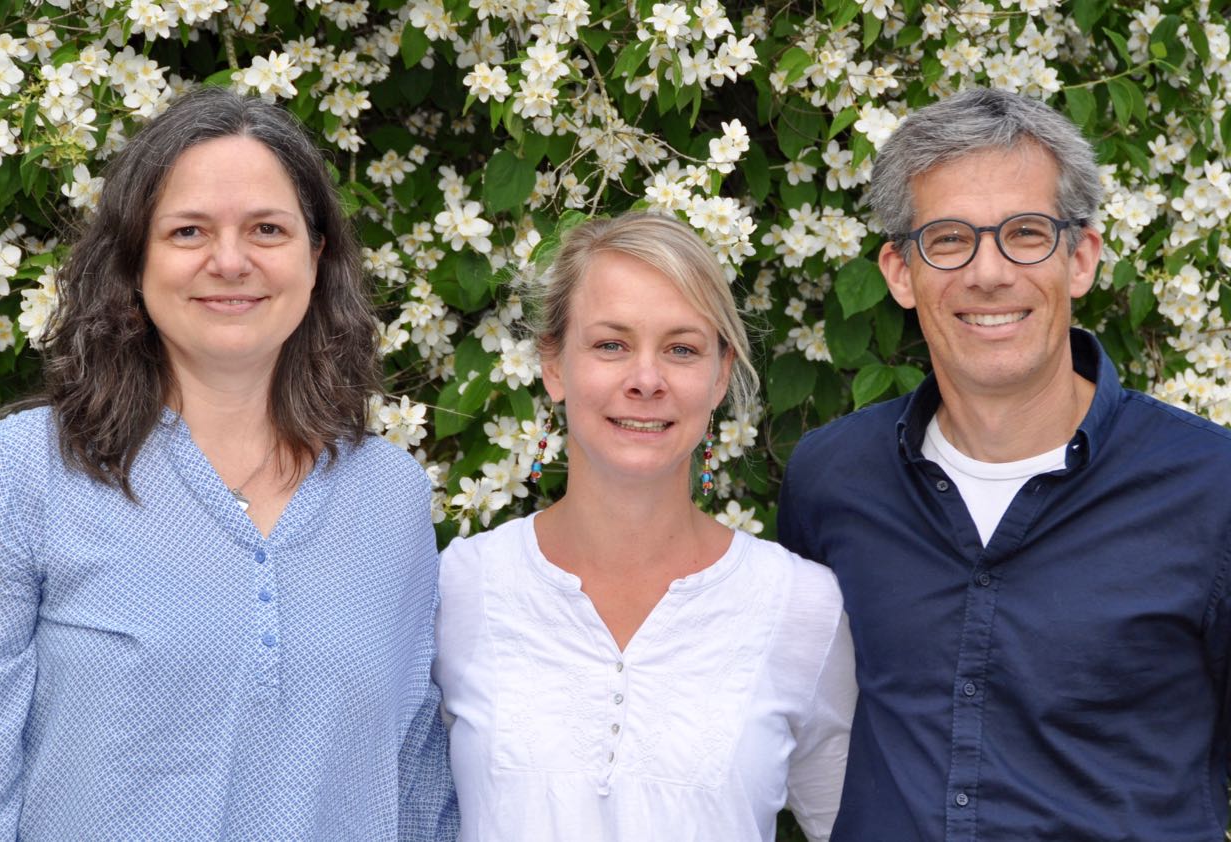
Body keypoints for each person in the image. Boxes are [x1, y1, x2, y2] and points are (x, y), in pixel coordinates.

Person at [0, 86, 457, 840]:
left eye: (267, 229)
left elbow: (414, 778)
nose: (230, 261)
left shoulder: (390, 494)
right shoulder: (28, 473)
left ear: (315, 258)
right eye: (188, 231)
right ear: (134, 260)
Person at [778, 87, 1231, 840]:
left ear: (1080, 257)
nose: (988, 273)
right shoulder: (833, 479)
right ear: (899, 271)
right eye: (949, 239)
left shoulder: (1212, 489)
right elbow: (810, 721)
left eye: (1025, 233)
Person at [434, 212, 857, 842]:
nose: (646, 380)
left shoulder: (803, 607)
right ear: (553, 365)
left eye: (682, 349)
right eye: (611, 344)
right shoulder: (459, 586)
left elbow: (848, 824)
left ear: (719, 375)